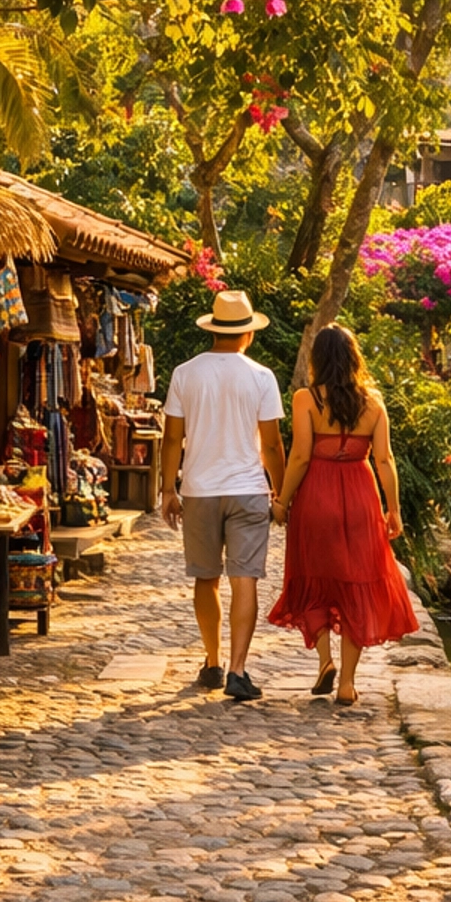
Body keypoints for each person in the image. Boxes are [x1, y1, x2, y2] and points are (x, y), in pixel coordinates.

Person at [268, 323, 417, 705]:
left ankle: (324, 662)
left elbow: (300, 455)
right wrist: (393, 508)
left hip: (317, 497)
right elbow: (384, 460)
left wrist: (283, 501)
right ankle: (348, 683)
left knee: (313, 577)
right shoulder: (374, 402)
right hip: (362, 496)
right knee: (357, 584)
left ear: (318, 359)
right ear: (354, 359)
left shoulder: (306, 399)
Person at [160, 288, 286, 703]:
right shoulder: (261, 377)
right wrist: (281, 492)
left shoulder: (185, 373)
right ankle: (238, 670)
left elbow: (172, 438)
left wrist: (167, 489)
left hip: (199, 489)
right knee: (244, 578)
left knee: (206, 576)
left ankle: (212, 661)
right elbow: (271, 445)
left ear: (213, 330)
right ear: (248, 334)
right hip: (249, 490)